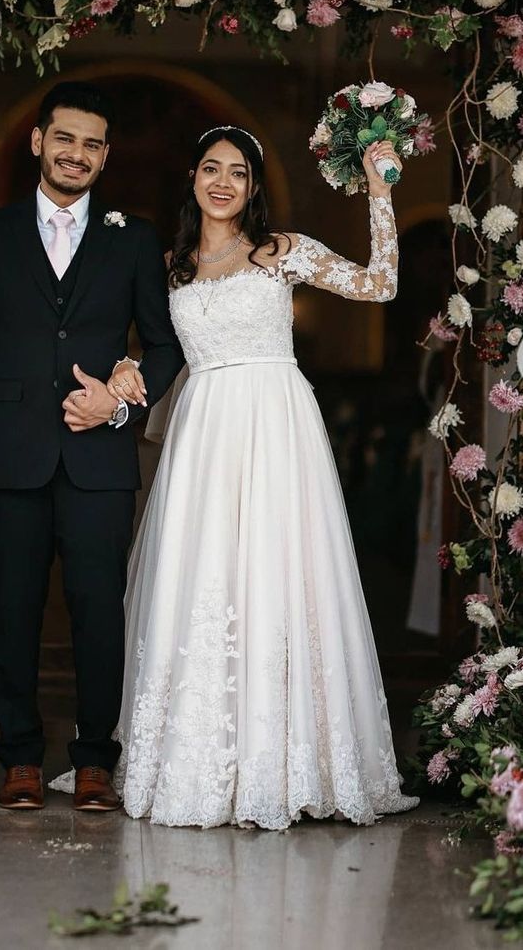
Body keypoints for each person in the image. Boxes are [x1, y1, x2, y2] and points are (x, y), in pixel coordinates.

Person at [52, 126, 419, 829]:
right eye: (212, 168)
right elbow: (155, 352)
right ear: (192, 175)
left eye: (239, 173)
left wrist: (378, 191)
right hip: (204, 429)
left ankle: (286, 756)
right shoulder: (168, 268)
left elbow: (379, 285)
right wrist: (126, 370)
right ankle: (197, 751)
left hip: (276, 422)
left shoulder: (279, 251)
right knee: (205, 578)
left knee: (280, 576)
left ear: (253, 187)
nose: (223, 182)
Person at [0, 81, 184, 813]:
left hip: (99, 464)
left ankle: (93, 762)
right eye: (65, 138)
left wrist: (119, 397)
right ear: (38, 141)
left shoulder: (133, 238)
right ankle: (17, 754)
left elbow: (166, 345)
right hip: (9, 455)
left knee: (97, 611)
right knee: (11, 609)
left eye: (91, 144)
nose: (77, 154)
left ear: (104, 156)